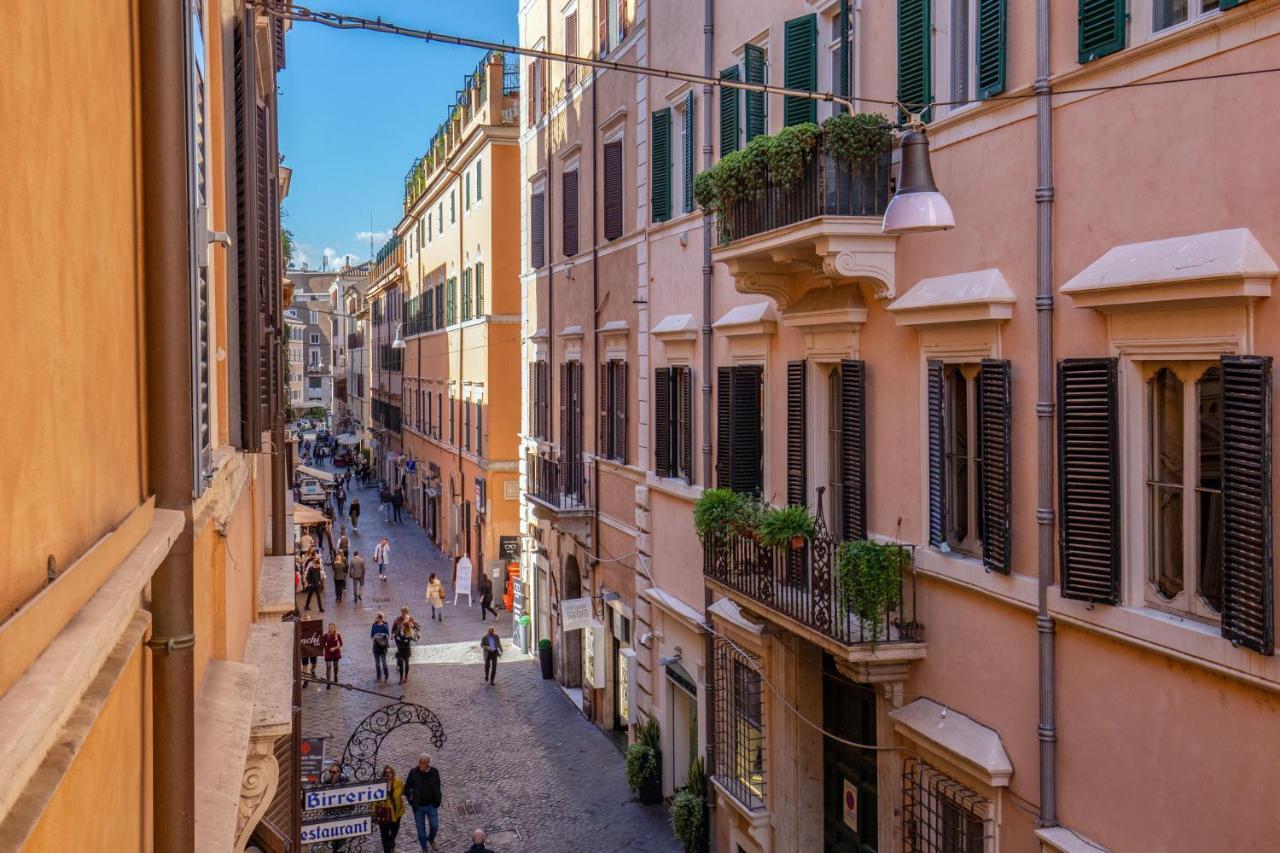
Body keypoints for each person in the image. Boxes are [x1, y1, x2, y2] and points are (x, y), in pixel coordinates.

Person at [403, 754, 442, 852]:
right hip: (418, 807)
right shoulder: (413, 772)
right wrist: (411, 800)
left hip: (431, 805)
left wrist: (438, 799)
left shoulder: (434, 772)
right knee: (421, 831)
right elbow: (406, 789)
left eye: (423, 763)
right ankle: (424, 847)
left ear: (428, 763)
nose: (421, 765)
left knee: (434, 825)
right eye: (420, 762)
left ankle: (431, 839)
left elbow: (437, 785)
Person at [373, 764, 405, 852]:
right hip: (383, 812)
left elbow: (399, 794)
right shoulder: (380, 784)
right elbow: (374, 798)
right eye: (386, 772)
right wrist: (373, 810)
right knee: (384, 834)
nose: (388, 774)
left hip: (395, 812)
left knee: (394, 830)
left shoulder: (398, 782)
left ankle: (391, 841)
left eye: (390, 772)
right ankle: (387, 850)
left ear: (393, 773)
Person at [391, 607, 418, 685]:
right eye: (403, 612)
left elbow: (413, 631)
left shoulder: (410, 620)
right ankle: (401, 678)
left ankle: (405, 677)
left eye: (405, 612)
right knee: (400, 662)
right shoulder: (398, 620)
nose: (403, 614)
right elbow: (393, 629)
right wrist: (393, 635)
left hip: (406, 646)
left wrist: (412, 626)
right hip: (400, 645)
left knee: (406, 662)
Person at [371, 612, 391, 682]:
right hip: (375, 647)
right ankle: (378, 677)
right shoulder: (374, 626)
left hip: (383, 648)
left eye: (379, 617)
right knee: (377, 663)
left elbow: (388, 636)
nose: (377, 618)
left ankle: (386, 676)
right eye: (377, 617)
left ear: (381, 618)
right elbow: (372, 636)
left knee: (383, 662)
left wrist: (380, 637)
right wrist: (376, 638)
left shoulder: (385, 626)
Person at [322, 623, 343, 688]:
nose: (330, 629)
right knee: (328, 667)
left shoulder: (338, 634)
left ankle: (335, 676)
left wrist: (335, 648)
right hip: (328, 652)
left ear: (334, 628)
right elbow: (322, 644)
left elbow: (341, 644)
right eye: (329, 628)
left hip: (336, 652)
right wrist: (322, 651)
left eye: (332, 628)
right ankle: (328, 682)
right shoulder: (325, 635)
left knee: (335, 666)